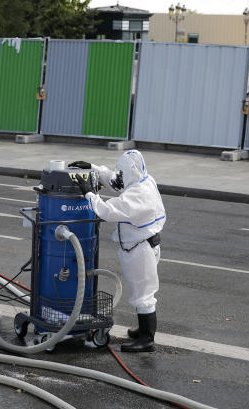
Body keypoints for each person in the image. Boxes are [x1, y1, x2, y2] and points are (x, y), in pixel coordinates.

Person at [69, 150, 166, 353]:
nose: (118, 175)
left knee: (144, 294)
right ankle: (143, 329)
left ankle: (147, 339)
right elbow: (117, 182)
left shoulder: (139, 195)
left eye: (121, 171)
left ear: (130, 171)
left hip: (140, 249)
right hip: (142, 245)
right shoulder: (143, 181)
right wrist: (94, 168)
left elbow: (106, 211)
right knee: (141, 291)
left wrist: (89, 193)